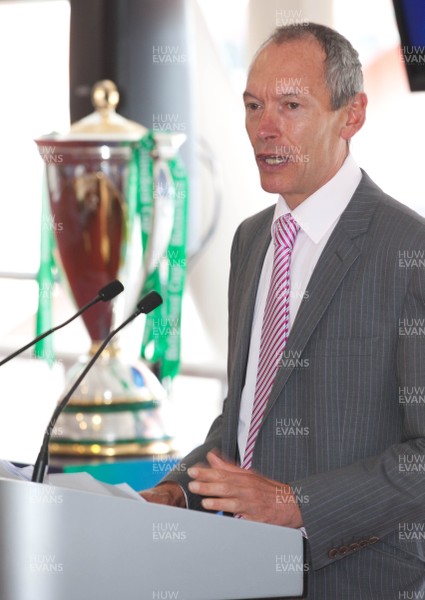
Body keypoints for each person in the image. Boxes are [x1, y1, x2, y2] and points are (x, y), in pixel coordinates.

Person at [141, 23, 425, 599]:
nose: (263, 129)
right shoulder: (251, 241)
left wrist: (296, 504)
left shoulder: (408, 250)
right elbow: (244, 421)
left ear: (352, 115)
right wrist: (179, 490)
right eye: (252, 106)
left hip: (363, 580)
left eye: (290, 105)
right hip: (243, 574)